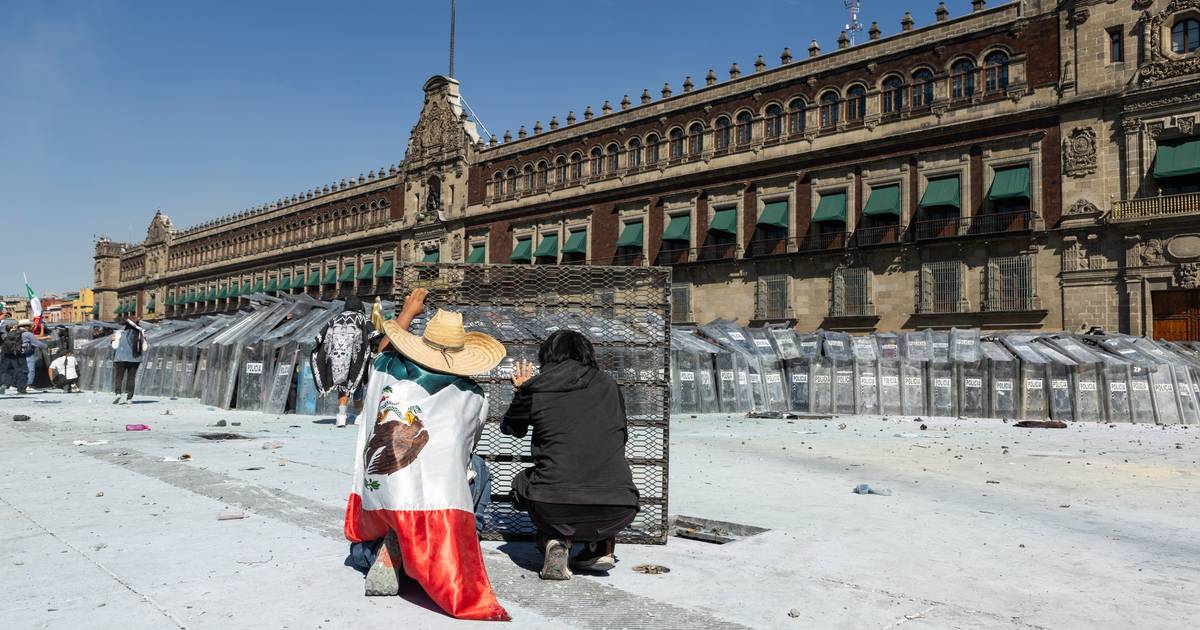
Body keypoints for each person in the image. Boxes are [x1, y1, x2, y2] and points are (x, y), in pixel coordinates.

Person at [343, 289, 510, 621]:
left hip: (384, 496)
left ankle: (384, 550)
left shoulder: (387, 369)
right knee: (477, 469)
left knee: (357, 551)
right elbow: (468, 446)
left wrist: (407, 312)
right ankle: (456, 544)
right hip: (435, 505)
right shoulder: (473, 395)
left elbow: (381, 351)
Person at [501, 329, 638, 581]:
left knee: (523, 482)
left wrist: (522, 391)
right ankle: (602, 547)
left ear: (547, 357)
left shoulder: (537, 388)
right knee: (600, 477)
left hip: (552, 505)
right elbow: (622, 436)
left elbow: (512, 429)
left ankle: (553, 540)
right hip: (620, 508)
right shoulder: (609, 384)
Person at [311, 295, 374, 427]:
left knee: (342, 384)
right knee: (356, 385)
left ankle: (341, 416)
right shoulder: (362, 318)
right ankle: (359, 415)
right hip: (356, 359)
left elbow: (319, 337)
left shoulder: (335, 319)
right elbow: (374, 334)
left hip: (338, 360)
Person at [111, 316, 147, 404]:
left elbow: (115, 346)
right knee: (131, 378)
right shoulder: (140, 334)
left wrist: (112, 340)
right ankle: (129, 398)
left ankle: (118, 393)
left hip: (121, 358)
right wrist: (145, 339)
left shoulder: (119, 333)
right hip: (135, 359)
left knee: (119, 377)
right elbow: (145, 348)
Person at [17, 320, 47, 392]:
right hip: (28, 353)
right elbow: (36, 343)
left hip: (18, 353)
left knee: (20, 369)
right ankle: (28, 385)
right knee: (30, 369)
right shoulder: (28, 334)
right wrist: (46, 346)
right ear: (27, 326)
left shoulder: (16, 333)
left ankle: (18, 384)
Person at [1, 323, 29, 395]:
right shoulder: (22, 333)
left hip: (6, 354)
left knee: (7, 371)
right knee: (23, 371)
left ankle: (4, 384)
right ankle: (21, 389)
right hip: (18, 355)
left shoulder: (4, 335)